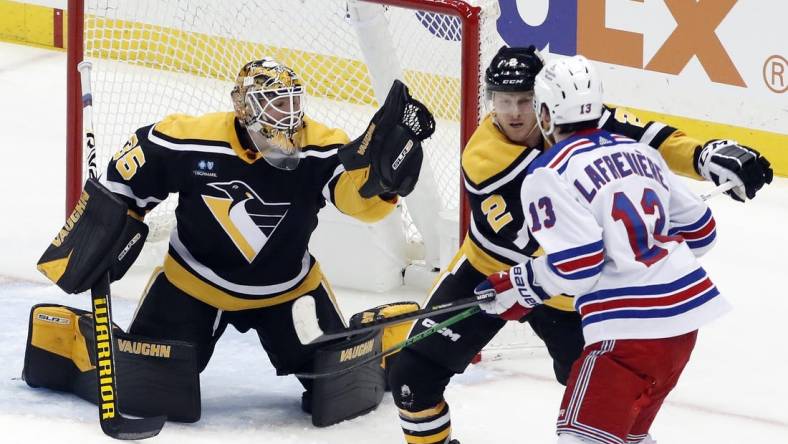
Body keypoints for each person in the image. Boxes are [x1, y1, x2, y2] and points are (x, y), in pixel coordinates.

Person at [385, 46, 772, 444]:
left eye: (524, 101)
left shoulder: (571, 122)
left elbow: (645, 135)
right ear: (491, 101)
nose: (515, 113)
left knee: (607, 413)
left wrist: (702, 154)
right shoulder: (486, 158)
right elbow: (542, 245)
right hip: (490, 272)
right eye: (503, 101)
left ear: (545, 105)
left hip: (571, 291)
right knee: (412, 379)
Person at [32, 57, 434, 425]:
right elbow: (128, 177)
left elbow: (353, 198)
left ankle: (385, 333)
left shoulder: (320, 145)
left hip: (288, 291)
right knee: (145, 390)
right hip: (193, 286)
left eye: (292, 102)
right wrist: (107, 222)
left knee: (340, 390)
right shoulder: (189, 138)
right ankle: (74, 341)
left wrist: (381, 181)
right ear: (243, 107)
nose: (288, 114)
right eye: (274, 103)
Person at [475, 54, 730, 443]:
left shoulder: (548, 171)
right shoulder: (642, 153)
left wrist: (518, 284)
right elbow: (703, 232)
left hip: (628, 334)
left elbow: (579, 266)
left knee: (582, 437)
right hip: (683, 330)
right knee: (626, 436)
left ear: (545, 114)